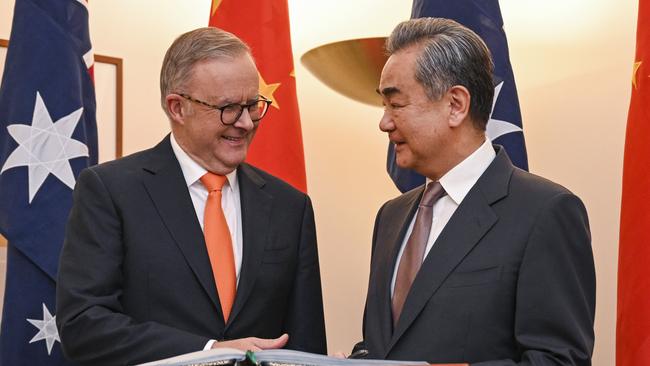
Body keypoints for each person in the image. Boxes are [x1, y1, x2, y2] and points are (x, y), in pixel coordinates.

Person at [56, 27, 326, 365]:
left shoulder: (291, 206)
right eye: (228, 107)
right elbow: (84, 325)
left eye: (253, 105)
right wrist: (212, 351)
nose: (245, 122)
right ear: (177, 107)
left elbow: (307, 342)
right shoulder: (111, 191)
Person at [351, 18, 595, 365]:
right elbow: (391, 346)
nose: (384, 122)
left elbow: (558, 360)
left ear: (455, 105)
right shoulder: (390, 217)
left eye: (396, 104)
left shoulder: (546, 212)